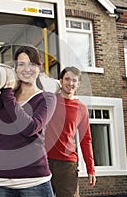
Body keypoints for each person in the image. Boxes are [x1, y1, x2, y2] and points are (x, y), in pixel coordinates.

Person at [0, 45, 57, 197]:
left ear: (39, 67)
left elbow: (30, 128)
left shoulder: (46, 98)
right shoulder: (3, 99)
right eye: (21, 64)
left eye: (31, 64)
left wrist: (8, 94)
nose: (26, 69)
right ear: (16, 68)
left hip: (34, 181)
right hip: (1, 182)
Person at [45, 66, 96, 197]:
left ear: (78, 84)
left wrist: (91, 169)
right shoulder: (50, 101)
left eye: (74, 80)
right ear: (60, 81)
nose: (70, 83)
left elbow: (86, 140)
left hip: (67, 165)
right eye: (67, 79)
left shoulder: (81, 109)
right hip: (44, 161)